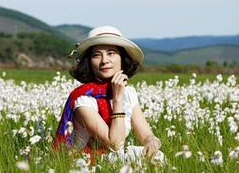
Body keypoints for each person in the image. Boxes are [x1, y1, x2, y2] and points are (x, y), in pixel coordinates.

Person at [55, 26, 161, 161]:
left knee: (157, 156)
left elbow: (146, 135)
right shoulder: (83, 100)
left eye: (111, 53)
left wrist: (152, 142)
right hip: (87, 165)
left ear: (122, 59)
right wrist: (117, 99)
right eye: (97, 55)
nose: (105, 60)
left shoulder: (128, 93)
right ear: (89, 63)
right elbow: (115, 145)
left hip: (114, 161)